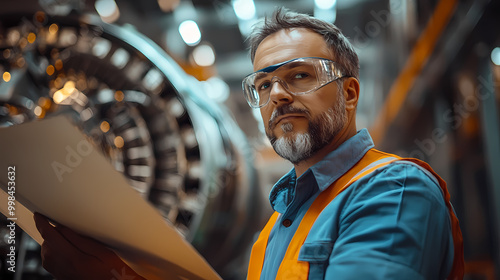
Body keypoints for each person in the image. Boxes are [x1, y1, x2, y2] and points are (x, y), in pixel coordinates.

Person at [34, 7, 464, 280]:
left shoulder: (392, 191)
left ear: (349, 93)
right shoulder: (275, 229)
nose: (277, 95)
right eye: (263, 84)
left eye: (299, 76)